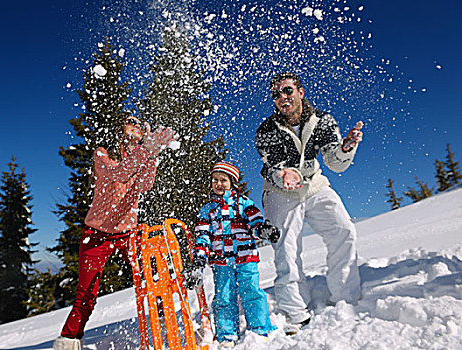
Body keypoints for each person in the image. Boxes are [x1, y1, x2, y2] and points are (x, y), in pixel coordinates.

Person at [53, 116, 175, 350]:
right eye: (131, 120)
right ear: (118, 127)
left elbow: (145, 185)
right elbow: (121, 173)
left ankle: (163, 325)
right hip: (96, 235)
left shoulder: (138, 157)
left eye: (140, 123)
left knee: (152, 276)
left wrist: (152, 155)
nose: (137, 124)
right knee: (86, 294)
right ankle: (69, 340)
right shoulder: (102, 155)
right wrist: (145, 151)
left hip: (128, 233)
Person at [254, 72, 363, 330]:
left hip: (314, 185)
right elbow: (271, 168)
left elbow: (335, 163)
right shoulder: (266, 131)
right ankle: (295, 309)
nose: (283, 97)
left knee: (343, 230)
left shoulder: (322, 121)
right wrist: (282, 175)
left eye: (288, 91)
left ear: (300, 92)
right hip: (281, 191)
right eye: (277, 94)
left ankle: (345, 296)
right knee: (287, 247)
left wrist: (345, 149)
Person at [183, 161, 279, 348]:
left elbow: (255, 223)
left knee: (252, 292)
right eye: (215, 180)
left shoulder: (244, 203)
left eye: (223, 180)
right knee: (224, 297)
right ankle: (227, 334)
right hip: (221, 262)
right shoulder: (207, 210)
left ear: (232, 182)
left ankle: (260, 328)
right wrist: (198, 261)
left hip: (246, 258)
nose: (218, 184)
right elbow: (203, 236)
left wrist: (263, 230)